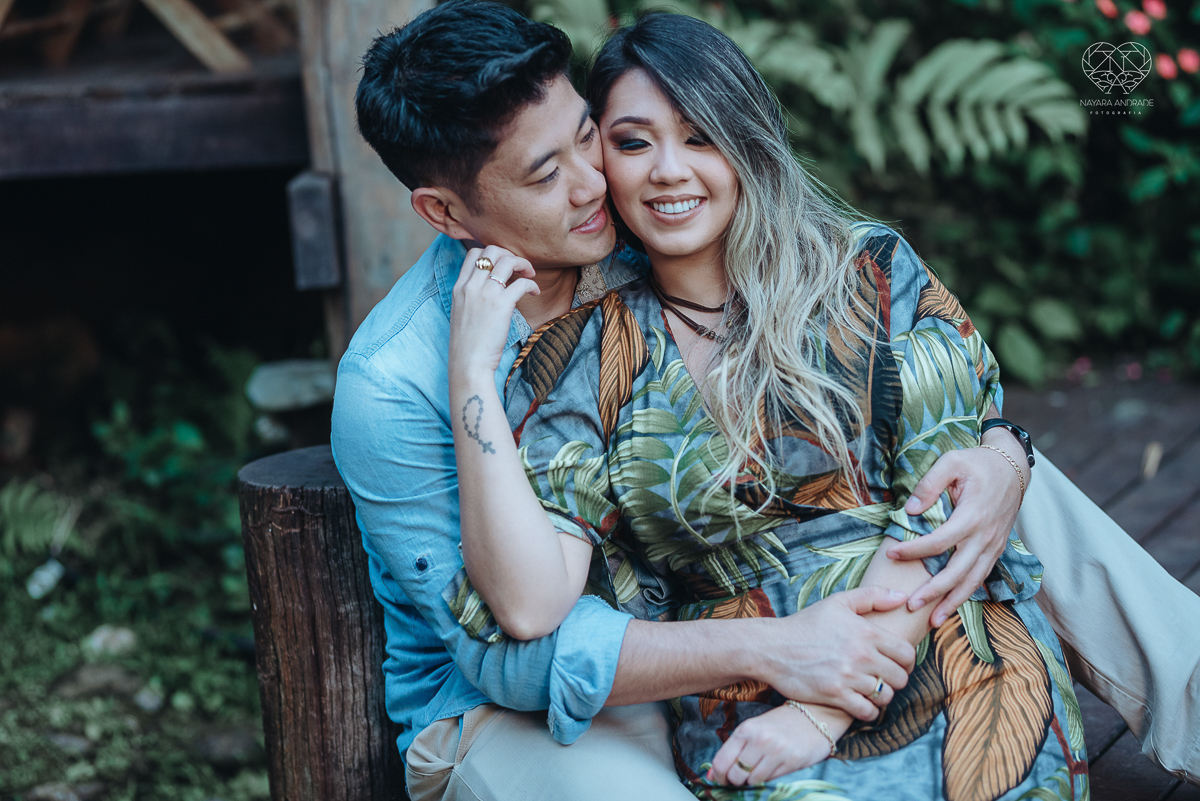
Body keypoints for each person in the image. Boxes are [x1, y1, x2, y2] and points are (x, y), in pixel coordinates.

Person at [334, 1, 1199, 797]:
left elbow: (907, 375)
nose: (597, 183)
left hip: (708, 604)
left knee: (983, 488)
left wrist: (1008, 450)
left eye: (590, 137)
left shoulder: (635, 236)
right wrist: (782, 651)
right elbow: (512, 652)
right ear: (446, 213)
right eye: (544, 171)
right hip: (530, 699)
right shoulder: (394, 384)